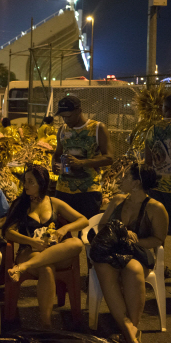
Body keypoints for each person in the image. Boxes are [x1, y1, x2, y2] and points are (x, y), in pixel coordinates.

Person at [2, 165, 88, 327]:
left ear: (41, 184)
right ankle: (46, 323)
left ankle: (23, 267)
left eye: (30, 182)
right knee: (46, 268)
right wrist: (31, 241)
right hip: (30, 251)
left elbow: (83, 220)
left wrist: (64, 228)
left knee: (76, 243)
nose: (25, 185)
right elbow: (8, 233)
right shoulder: (20, 204)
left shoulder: (54, 202)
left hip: (54, 251)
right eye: (25, 181)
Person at [93, 163, 167, 343]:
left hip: (136, 253)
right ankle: (131, 331)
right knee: (103, 265)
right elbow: (101, 225)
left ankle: (130, 328)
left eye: (125, 177)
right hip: (112, 250)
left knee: (132, 269)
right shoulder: (117, 200)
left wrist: (134, 240)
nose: (120, 179)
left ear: (136, 183)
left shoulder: (156, 208)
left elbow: (158, 240)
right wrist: (118, 232)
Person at [52, 95, 113, 220]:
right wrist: (54, 164)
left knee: (87, 231)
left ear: (79, 111)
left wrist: (81, 163)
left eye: (68, 116)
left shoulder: (97, 128)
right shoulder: (62, 130)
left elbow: (109, 158)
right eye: (62, 116)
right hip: (63, 189)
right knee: (60, 230)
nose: (65, 120)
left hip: (89, 191)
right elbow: (57, 153)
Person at [145, 93, 171, 234]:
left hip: (158, 187)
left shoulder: (153, 130)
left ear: (164, 108)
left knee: (159, 228)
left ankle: (160, 254)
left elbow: (148, 162)